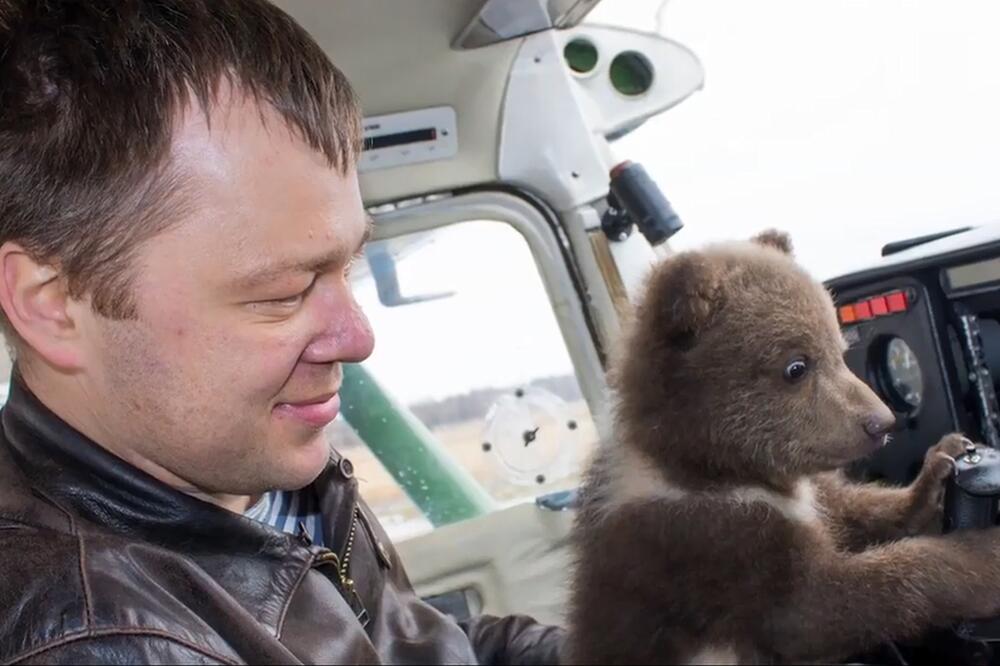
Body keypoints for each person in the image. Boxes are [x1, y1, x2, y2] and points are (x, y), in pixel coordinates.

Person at [0, 1, 563, 663]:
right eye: (284, 292)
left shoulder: (247, 470)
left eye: (348, 263)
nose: (357, 337)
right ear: (52, 307)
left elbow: (412, 646)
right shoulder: (105, 643)